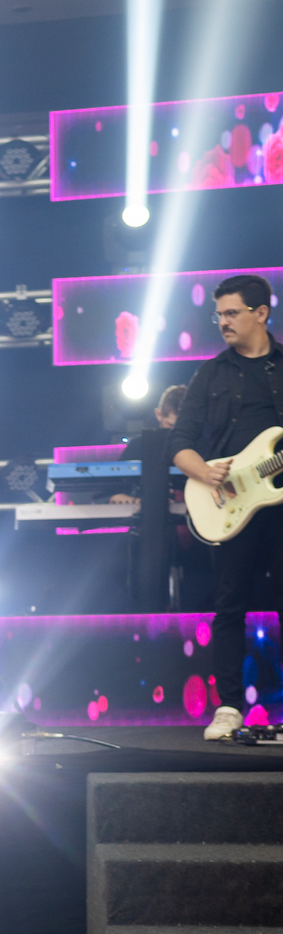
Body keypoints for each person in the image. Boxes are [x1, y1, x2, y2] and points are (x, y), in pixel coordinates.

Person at [170, 273, 283, 739]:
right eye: (218, 314)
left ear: (262, 313)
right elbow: (179, 442)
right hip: (228, 503)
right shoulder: (211, 373)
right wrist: (202, 471)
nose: (223, 322)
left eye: (232, 313)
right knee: (229, 604)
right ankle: (229, 707)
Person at [109, 384, 187, 505]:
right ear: (159, 414)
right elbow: (113, 494)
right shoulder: (138, 446)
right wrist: (143, 503)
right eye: (171, 426)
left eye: (183, 428)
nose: (176, 433)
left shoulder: (205, 445)